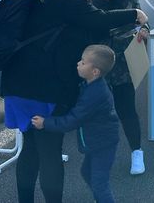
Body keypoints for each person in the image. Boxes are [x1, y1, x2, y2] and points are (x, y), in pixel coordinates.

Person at [1, 0, 147, 203]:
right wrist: (135, 14)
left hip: (17, 87)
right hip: (45, 91)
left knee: (30, 149)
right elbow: (100, 21)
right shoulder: (70, 2)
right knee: (50, 153)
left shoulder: (40, 0)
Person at [31, 45, 120, 203]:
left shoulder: (95, 94)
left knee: (100, 183)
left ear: (95, 72)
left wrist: (46, 123)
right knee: (87, 172)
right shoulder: (92, 85)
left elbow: (72, 120)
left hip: (103, 144)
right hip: (97, 141)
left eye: (83, 62)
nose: (78, 63)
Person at [91, 0, 149, 175]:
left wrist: (144, 31)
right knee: (98, 113)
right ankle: (100, 157)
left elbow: (144, 23)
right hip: (96, 67)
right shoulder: (88, 0)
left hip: (124, 66)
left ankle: (137, 153)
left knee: (127, 110)